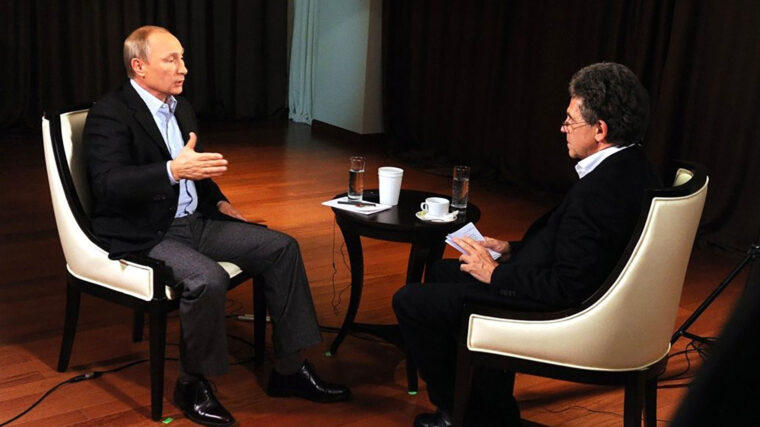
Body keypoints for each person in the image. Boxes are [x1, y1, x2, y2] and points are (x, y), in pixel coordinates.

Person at [84, 25, 350, 427]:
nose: (183, 68)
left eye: (183, 58)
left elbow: (198, 171)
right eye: (171, 59)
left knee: (282, 247)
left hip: (197, 221)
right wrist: (172, 170)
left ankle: (290, 370)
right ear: (139, 67)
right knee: (206, 279)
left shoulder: (181, 107)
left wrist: (221, 202)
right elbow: (108, 185)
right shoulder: (110, 112)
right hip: (145, 230)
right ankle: (192, 384)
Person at [393, 62, 662, 427]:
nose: (562, 128)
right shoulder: (633, 166)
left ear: (600, 130)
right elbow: (580, 250)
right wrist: (511, 251)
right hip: (584, 288)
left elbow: (567, 287)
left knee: (410, 301)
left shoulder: (600, 193)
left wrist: (496, 275)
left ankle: (458, 414)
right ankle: (487, 411)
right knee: (444, 270)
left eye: (570, 121)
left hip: (571, 311)